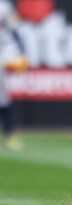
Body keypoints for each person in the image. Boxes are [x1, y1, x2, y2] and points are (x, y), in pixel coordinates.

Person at [0, 0, 28, 150]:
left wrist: (22, 51)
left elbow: (14, 30)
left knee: (3, 98)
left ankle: (9, 134)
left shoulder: (3, 6)